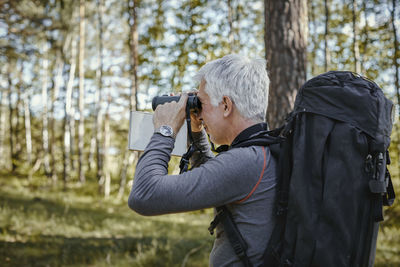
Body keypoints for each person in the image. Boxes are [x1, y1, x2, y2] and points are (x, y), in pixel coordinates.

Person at [128, 54, 277, 266]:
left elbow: (144, 195)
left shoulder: (246, 162)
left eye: (202, 103)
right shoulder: (262, 152)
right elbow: (216, 177)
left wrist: (165, 129)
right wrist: (197, 130)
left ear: (226, 105)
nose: (199, 110)